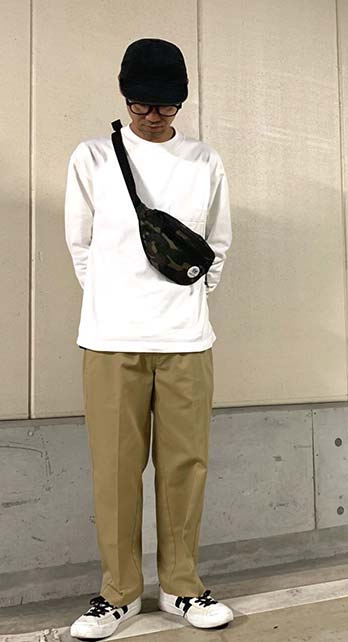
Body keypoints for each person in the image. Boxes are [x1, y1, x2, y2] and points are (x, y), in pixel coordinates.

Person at [64, 38, 233, 638]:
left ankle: (182, 587)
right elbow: (81, 245)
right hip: (111, 338)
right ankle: (119, 594)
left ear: (181, 100)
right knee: (115, 470)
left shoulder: (204, 161)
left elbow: (217, 244)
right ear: (124, 95)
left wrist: (188, 299)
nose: (152, 114)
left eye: (164, 104)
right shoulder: (91, 157)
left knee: (185, 466)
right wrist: (115, 299)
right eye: (140, 103)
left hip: (186, 338)